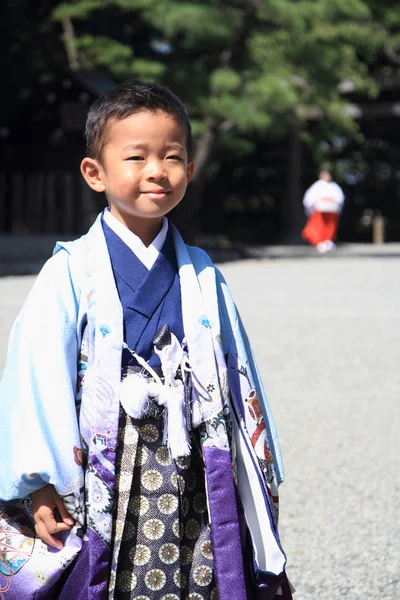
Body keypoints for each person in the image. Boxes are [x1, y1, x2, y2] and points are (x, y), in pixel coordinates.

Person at [0, 81, 293, 600]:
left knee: (199, 570)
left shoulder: (201, 272)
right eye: (136, 157)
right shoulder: (69, 271)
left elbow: (237, 372)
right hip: (103, 464)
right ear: (95, 173)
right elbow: (36, 372)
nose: (157, 170)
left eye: (172, 156)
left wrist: (256, 472)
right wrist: (40, 480)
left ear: (189, 170)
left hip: (195, 463)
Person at [301, 169, 345, 252]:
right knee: (318, 226)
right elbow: (309, 199)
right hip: (319, 210)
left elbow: (340, 198)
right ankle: (319, 241)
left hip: (332, 210)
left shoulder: (334, 186)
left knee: (331, 226)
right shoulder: (316, 186)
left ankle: (328, 241)